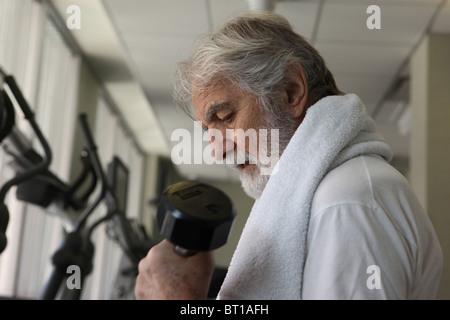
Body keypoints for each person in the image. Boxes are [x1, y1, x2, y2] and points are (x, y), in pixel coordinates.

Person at [134, 12, 443, 300]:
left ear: (291, 92)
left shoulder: (347, 202)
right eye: (209, 131)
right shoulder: (330, 196)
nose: (217, 150)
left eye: (226, 116)